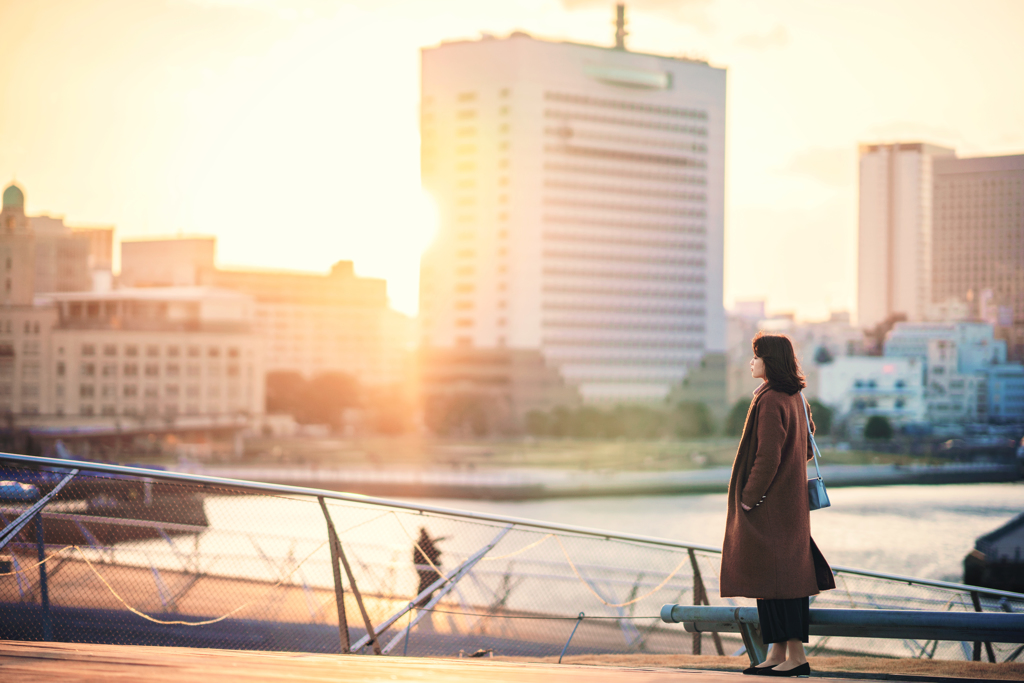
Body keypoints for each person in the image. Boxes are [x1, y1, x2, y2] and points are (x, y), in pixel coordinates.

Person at [721, 332, 836, 677]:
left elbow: (767, 457)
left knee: (783, 579)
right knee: (775, 577)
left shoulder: (771, 400)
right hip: (790, 502)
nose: (751, 362)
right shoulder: (796, 397)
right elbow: (805, 448)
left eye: (756, 356)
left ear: (769, 360)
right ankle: (776, 652)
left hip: (770, 505)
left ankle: (797, 657)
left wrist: (748, 498)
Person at [413, 527, 444, 604]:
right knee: (426, 584)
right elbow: (434, 552)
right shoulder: (423, 543)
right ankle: (422, 601)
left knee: (428, 584)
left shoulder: (425, 542)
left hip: (427, 568)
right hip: (425, 568)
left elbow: (435, 552)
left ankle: (424, 601)